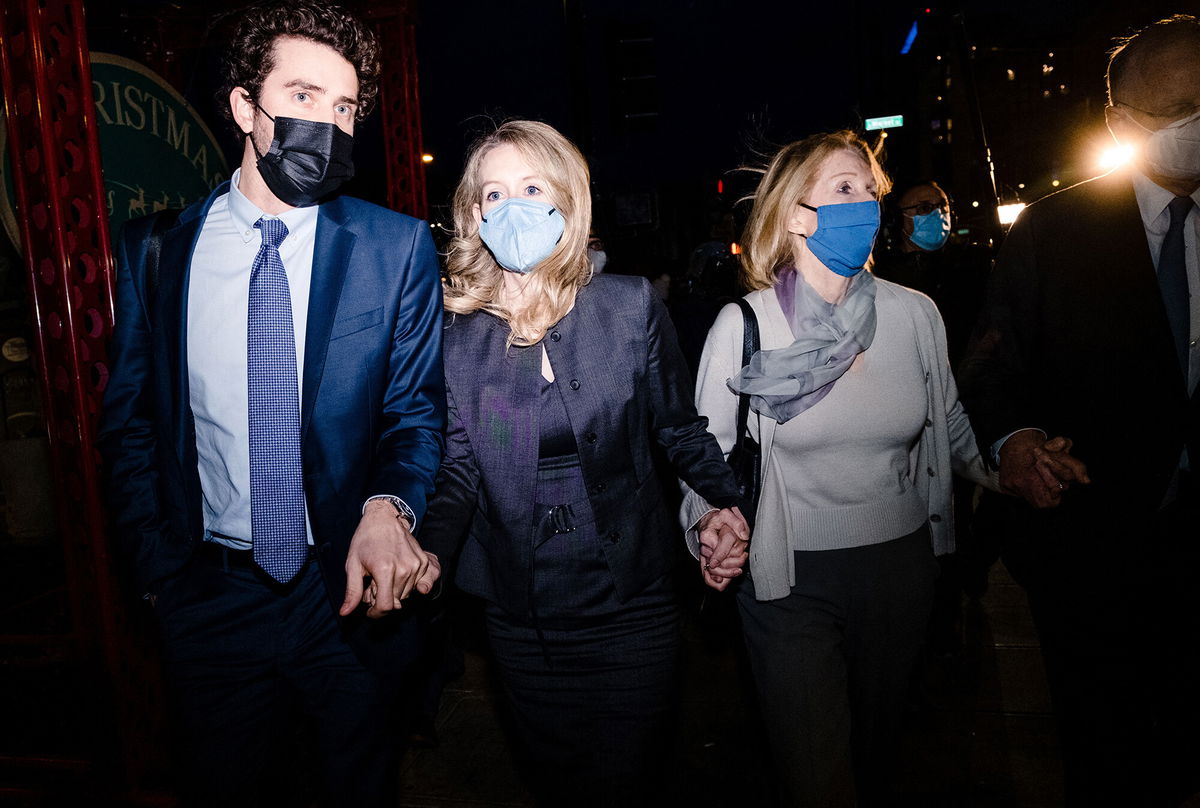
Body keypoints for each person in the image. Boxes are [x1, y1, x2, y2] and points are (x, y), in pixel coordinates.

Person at [96, 3, 446, 805]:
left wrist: (390, 505)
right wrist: (161, 579)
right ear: (245, 109)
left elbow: (415, 415)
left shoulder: (395, 250)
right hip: (210, 597)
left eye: (345, 107)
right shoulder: (155, 252)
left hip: (349, 601)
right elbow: (134, 427)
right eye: (303, 96)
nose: (327, 123)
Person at [683, 131, 1036, 806]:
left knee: (882, 754)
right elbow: (705, 457)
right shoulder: (745, 324)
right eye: (843, 188)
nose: (866, 202)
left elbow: (947, 424)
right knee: (817, 770)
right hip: (787, 577)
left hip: (901, 569)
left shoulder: (915, 316)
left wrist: (1003, 468)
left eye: (869, 190)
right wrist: (709, 522)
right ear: (796, 214)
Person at [417, 120, 748, 807]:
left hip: (632, 602)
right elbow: (456, 470)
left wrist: (725, 503)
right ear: (474, 215)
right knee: (557, 780)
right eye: (494, 193)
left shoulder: (628, 307)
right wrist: (430, 556)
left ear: (566, 197)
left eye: (531, 187)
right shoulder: (454, 335)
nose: (511, 206)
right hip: (522, 617)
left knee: (627, 780)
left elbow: (679, 430)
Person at [959, 15, 1200, 807]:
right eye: (1177, 110)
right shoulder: (1053, 232)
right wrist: (1017, 440)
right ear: (1120, 124)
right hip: (1095, 547)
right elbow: (993, 367)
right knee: (1109, 751)